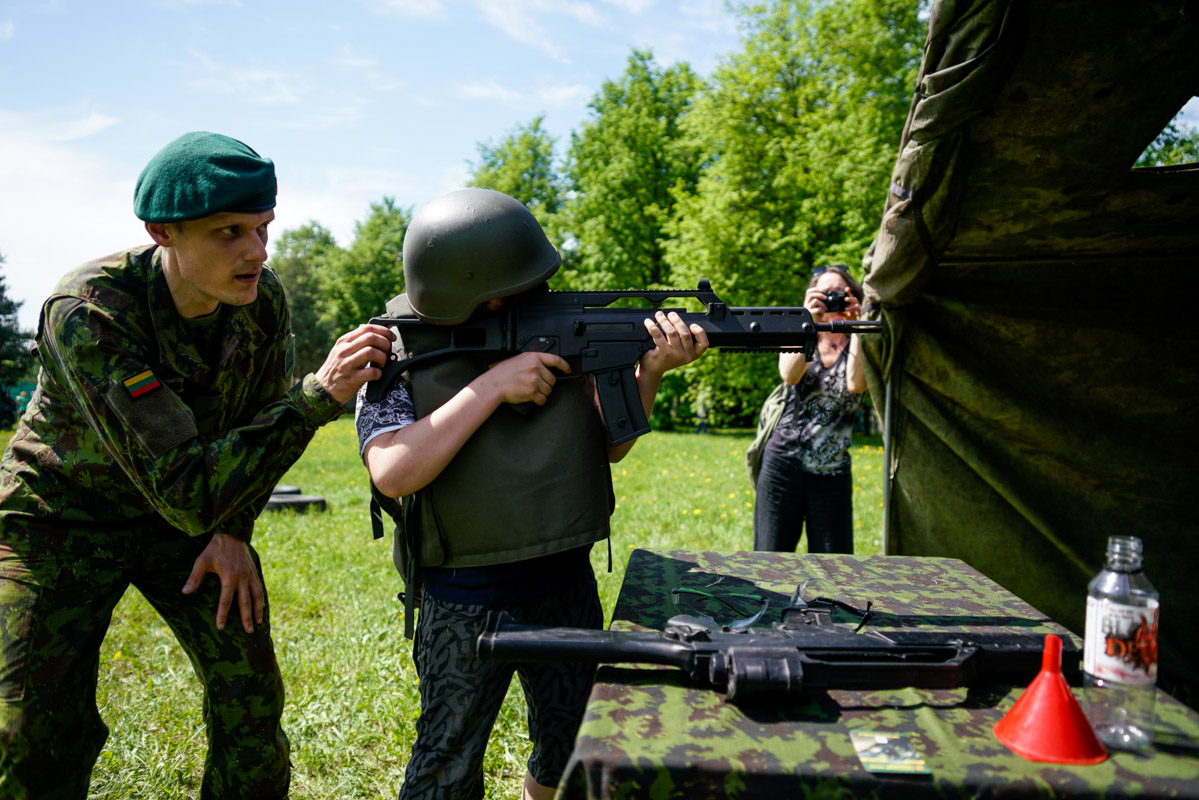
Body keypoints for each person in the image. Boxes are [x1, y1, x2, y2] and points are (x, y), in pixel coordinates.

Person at [0, 131, 394, 799]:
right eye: (228, 232)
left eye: (264, 228)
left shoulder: (261, 300)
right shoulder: (92, 310)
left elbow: (256, 430)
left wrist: (233, 531)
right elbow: (186, 484)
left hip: (186, 524)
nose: (256, 252)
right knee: (35, 730)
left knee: (250, 704)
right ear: (163, 233)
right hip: (58, 523)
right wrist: (317, 396)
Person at [357, 188, 708, 800]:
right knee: (447, 758)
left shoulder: (564, 328)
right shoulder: (392, 348)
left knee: (569, 741)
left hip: (562, 577)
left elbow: (606, 446)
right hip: (463, 593)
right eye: (524, 290)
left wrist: (648, 372)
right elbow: (392, 471)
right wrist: (491, 386)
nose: (541, 298)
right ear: (484, 294)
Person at [752, 264, 867, 554]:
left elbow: (856, 383)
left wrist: (859, 325)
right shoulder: (798, 329)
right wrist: (808, 323)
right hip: (783, 467)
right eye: (824, 294)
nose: (833, 300)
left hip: (833, 473)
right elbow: (789, 375)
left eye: (840, 293)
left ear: (853, 294)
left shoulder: (863, 336)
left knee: (834, 570)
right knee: (770, 561)